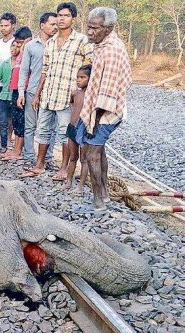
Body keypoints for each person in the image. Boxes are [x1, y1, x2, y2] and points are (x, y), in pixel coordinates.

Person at [22, 2, 92, 180]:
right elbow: (45, 71)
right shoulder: (51, 42)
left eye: (66, 15)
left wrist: (80, 93)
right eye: (59, 15)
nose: (61, 19)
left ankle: (64, 168)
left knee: (64, 133)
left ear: (73, 19)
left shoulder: (81, 40)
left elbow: (90, 67)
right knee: (43, 130)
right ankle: (39, 164)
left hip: (67, 96)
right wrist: (37, 94)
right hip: (49, 94)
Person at [79, 7, 131, 211]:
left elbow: (106, 95)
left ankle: (98, 202)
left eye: (94, 28)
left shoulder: (111, 51)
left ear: (107, 29)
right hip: (101, 109)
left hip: (106, 112)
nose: (90, 32)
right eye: (88, 27)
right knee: (99, 151)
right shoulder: (103, 45)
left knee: (92, 152)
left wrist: (94, 122)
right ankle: (105, 195)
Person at [17, 12, 58, 166]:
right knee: (30, 126)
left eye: (56, 24)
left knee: (50, 128)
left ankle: (47, 158)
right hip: (33, 91)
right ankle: (28, 156)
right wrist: (21, 93)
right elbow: (24, 71)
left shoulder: (58, 44)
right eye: (52, 24)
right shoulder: (30, 46)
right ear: (42, 25)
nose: (55, 27)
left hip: (52, 93)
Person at [1, 26, 32, 161]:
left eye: (20, 42)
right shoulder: (20, 54)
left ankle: (18, 150)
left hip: (23, 90)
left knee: (21, 122)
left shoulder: (28, 51)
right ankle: (15, 149)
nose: (18, 45)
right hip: (16, 89)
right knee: (16, 121)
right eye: (17, 43)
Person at [0, 13, 17, 152]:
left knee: (10, 114)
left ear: (13, 26)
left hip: (11, 84)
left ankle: (9, 138)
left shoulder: (16, 43)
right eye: (1, 25)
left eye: (6, 25)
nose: (3, 28)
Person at [63, 64, 90, 194]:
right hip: (72, 127)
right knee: (72, 156)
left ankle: (80, 187)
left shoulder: (91, 95)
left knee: (84, 159)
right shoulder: (75, 93)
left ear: (90, 79)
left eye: (82, 77)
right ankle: (68, 181)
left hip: (84, 129)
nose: (79, 80)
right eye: (77, 77)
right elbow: (71, 103)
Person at [0, 39, 23, 158]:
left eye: (17, 46)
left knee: (15, 121)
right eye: (13, 46)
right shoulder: (5, 63)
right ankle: (4, 145)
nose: (14, 49)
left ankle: (13, 144)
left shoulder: (22, 63)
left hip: (15, 96)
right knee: (3, 121)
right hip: (4, 96)